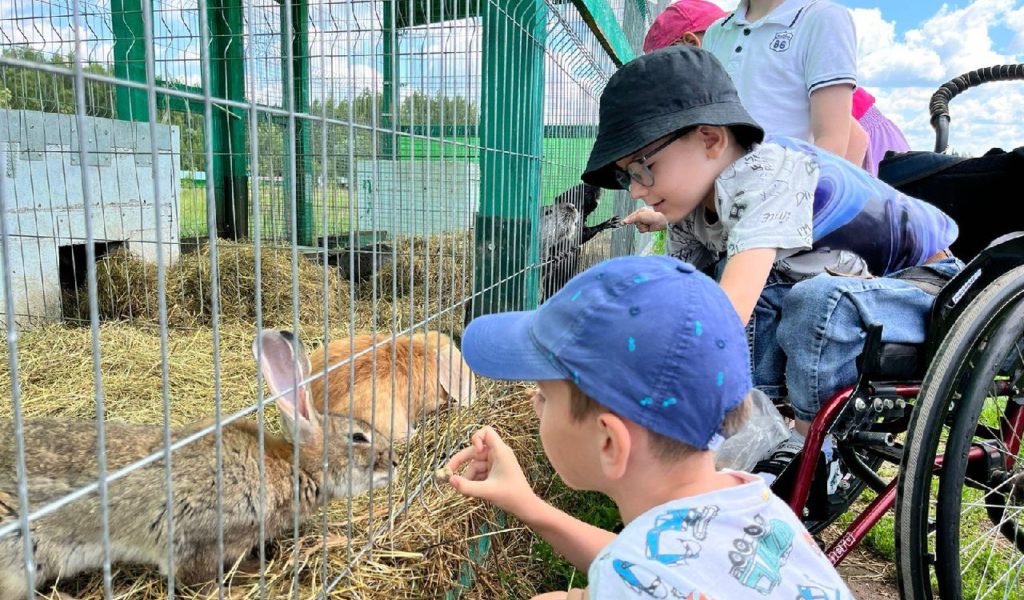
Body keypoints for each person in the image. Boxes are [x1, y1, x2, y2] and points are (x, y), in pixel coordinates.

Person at [605, 46, 958, 472]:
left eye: (643, 168)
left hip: (923, 284)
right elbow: (689, 297)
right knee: (753, 288)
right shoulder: (688, 204)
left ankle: (818, 451)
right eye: (628, 177)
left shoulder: (770, 171)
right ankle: (760, 432)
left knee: (817, 303)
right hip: (848, 279)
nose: (637, 189)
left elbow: (726, 315)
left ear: (711, 140)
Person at [443, 254, 854, 599]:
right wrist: (527, 504)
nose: (534, 404)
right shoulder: (750, 501)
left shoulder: (628, 583)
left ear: (609, 443)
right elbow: (660, 568)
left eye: (545, 396)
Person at [644, 0, 911, 176]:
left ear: (691, 44)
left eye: (667, 72)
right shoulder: (723, 35)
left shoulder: (815, 21)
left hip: (865, 141)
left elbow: (851, 139)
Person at [701, 0, 863, 164]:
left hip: (785, 183)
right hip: (715, 181)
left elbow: (832, 140)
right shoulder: (716, 31)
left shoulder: (824, 17)